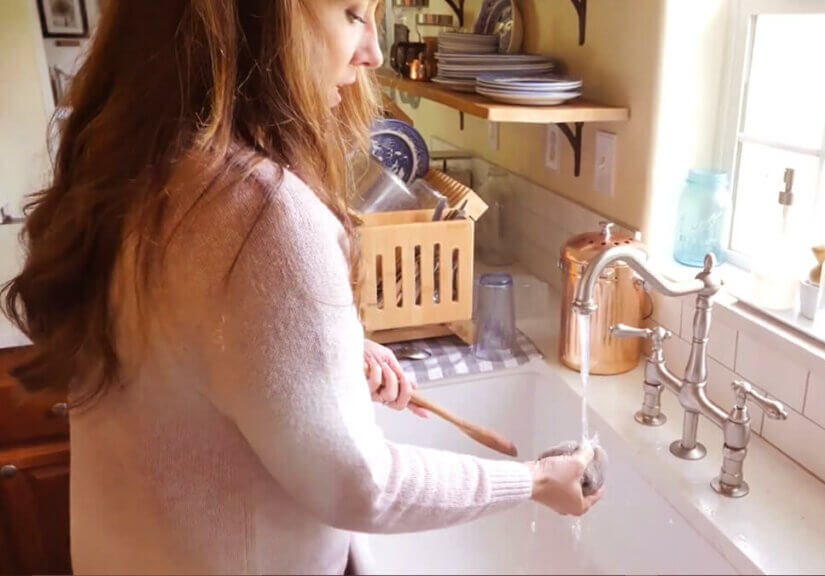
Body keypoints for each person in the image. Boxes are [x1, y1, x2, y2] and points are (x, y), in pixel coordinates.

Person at [0, 1, 601, 573]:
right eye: (351, 14)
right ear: (262, 20)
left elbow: (184, 349)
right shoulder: (262, 214)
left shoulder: (140, 165)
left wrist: (324, 350)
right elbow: (362, 485)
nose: (371, 52)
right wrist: (536, 482)